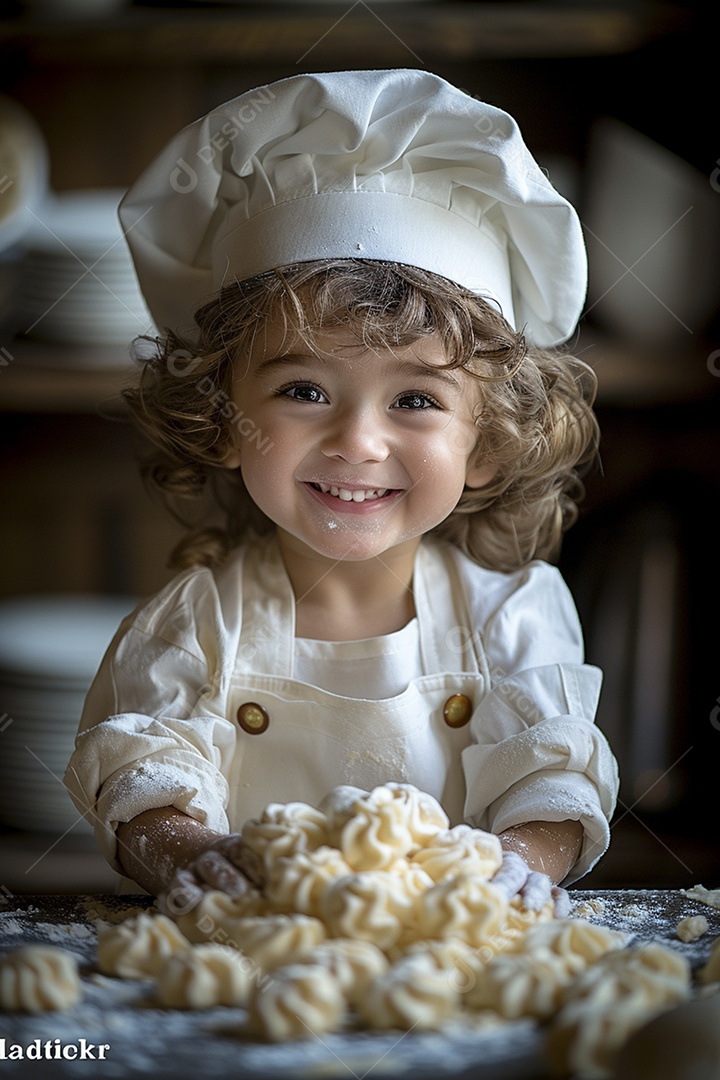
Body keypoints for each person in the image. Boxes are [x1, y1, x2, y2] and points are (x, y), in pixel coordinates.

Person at [64, 69, 618, 909]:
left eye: (417, 400)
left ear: (487, 442)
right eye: (304, 391)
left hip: (443, 984)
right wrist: (190, 855)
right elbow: (145, 780)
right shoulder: (196, 625)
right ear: (222, 415)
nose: (357, 441)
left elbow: (553, 783)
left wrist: (514, 867)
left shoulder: (513, 618)